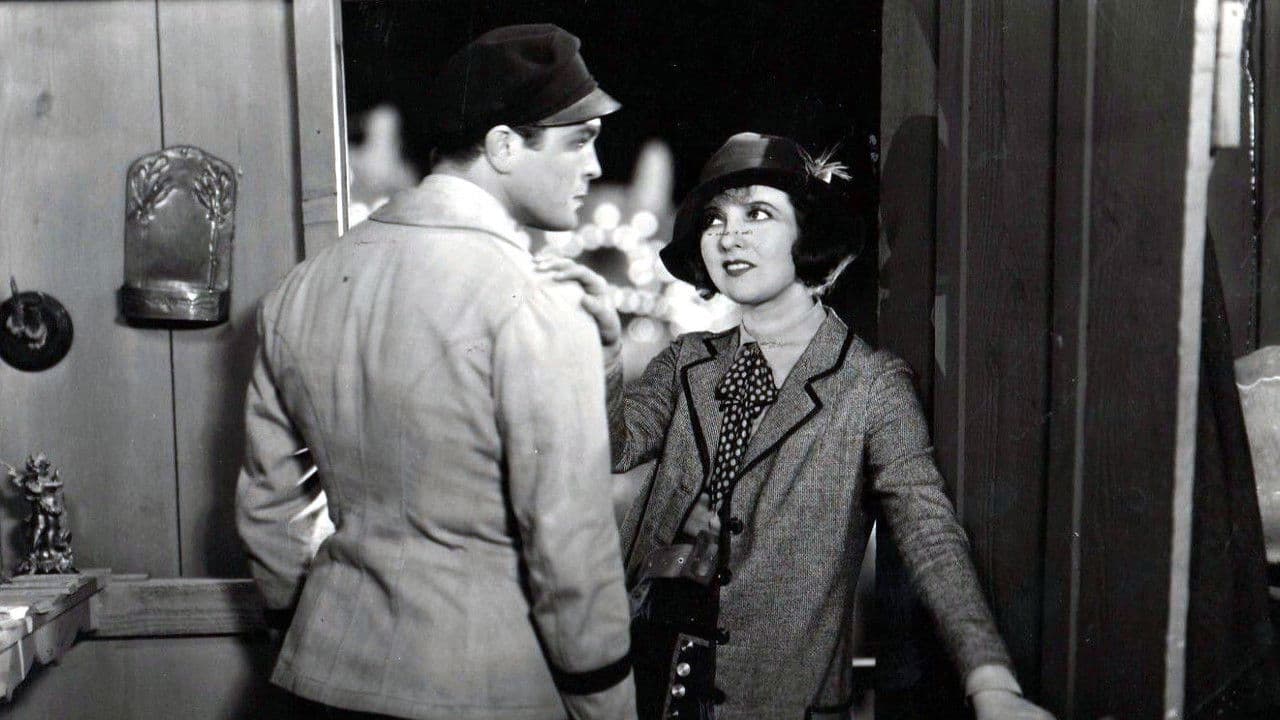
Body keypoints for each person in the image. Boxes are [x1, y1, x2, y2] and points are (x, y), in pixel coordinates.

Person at [541, 132, 1055, 718]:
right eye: (714, 219)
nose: (729, 236)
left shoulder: (869, 385)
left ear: (807, 235)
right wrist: (604, 355)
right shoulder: (686, 361)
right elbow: (612, 449)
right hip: (646, 684)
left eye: (757, 214)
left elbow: (930, 535)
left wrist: (992, 684)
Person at [236, 24, 636, 720]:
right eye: (579, 140)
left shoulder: (300, 289)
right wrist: (609, 707)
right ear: (504, 146)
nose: (596, 166)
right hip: (482, 689)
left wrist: (308, 623)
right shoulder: (537, 303)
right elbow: (572, 553)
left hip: (318, 676)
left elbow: (271, 511)